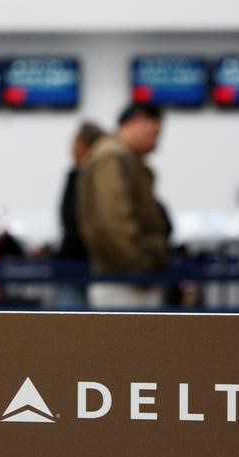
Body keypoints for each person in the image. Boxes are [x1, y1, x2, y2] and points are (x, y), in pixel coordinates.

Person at [77, 103, 170, 309]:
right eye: (155, 133)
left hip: (127, 278)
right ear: (139, 120)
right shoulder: (112, 158)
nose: (156, 144)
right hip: (125, 282)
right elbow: (112, 224)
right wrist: (141, 271)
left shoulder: (122, 158)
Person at [55, 122, 105, 308]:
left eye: (76, 141)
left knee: (71, 327)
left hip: (81, 263)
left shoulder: (88, 176)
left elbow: (74, 219)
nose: (71, 147)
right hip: (77, 263)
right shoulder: (77, 174)